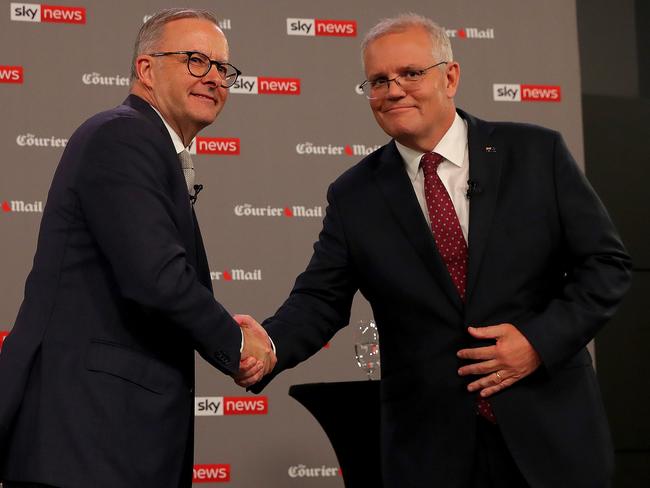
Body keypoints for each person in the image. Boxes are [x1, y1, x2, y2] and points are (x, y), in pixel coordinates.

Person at [236, 13, 632, 488]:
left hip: (551, 435)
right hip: (430, 450)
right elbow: (321, 299)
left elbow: (605, 266)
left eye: (410, 73)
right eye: (379, 80)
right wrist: (269, 346)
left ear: (450, 76)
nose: (394, 89)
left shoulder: (535, 153)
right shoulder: (354, 194)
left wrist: (536, 343)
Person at [0, 8, 274, 488]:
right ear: (146, 70)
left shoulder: (150, 146)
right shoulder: (122, 135)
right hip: (85, 441)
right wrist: (239, 345)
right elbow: (157, 278)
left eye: (222, 68)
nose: (213, 78)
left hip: (112, 441)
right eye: (194, 60)